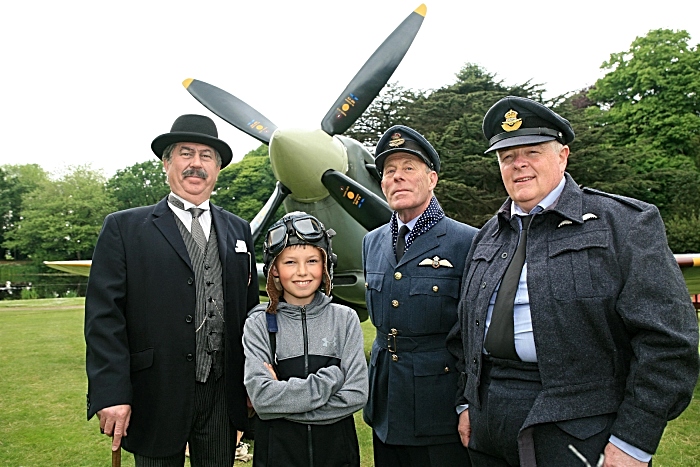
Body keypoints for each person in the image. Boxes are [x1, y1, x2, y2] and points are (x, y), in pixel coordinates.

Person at [452, 96, 700, 466]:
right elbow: (464, 334)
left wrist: (634, 441)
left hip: (580, 429)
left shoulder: (624, 224)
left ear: (562, 156)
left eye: (532, 152)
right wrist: (465, 402)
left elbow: (668, 343)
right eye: (507, 157)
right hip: (490, 423)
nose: (518, 164)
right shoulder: (486, 237)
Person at [85, 114, 259, 466]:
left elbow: (250, 314)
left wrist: (253, 383)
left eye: (206, 156)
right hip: (155, 394)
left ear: (218, 168)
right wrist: (112, 393)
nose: (196, 164)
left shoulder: (239, 230)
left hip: (222, 396)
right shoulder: (124, 228)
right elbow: (104, 318)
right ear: (167, 163)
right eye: (185, 153)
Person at [362, 125, 478, 466]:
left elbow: (475, 334)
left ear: (432, 179)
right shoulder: (372, 242)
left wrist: (468, 403)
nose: (397, 178)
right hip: (385, 403)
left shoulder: (467, 241)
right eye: (389, 172)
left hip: (439, 406)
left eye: (408, 169)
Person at [243, 211, 368, 466]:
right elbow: (262, 400)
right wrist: (330, 379)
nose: (302, 272)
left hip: (339, 456)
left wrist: (283, 403)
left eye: (312, 261)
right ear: (274, 271)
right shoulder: (258, 324)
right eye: (290, 262)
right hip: (276, 457)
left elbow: (356, 394)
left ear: (326, 265)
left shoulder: (345, 319)